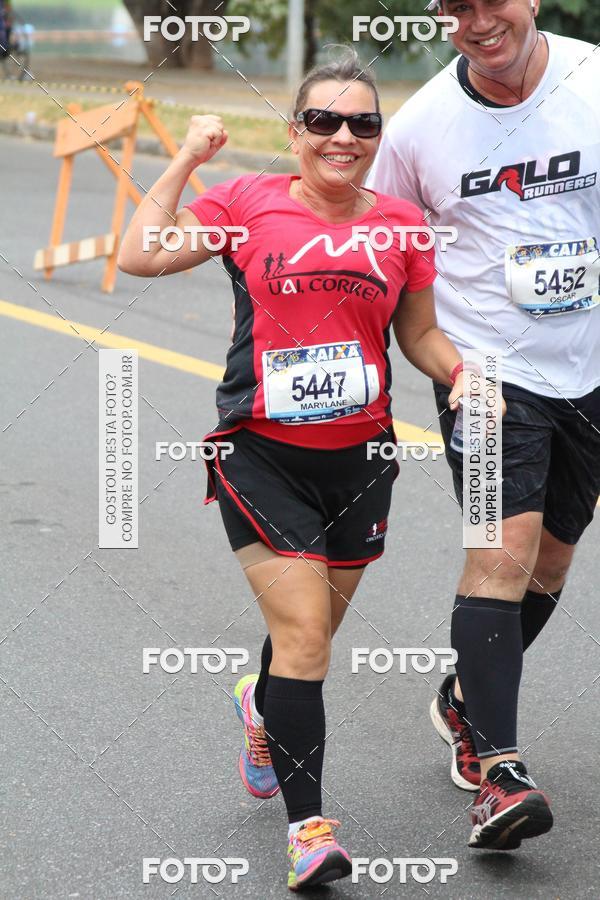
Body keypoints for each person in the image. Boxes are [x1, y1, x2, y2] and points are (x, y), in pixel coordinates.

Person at [118, 48, 466, 889]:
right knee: (306, 637)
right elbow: (142, 254)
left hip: (361, 461)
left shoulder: (402, 226)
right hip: (259, 454)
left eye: (361, 123)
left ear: (377, 136)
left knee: (304, 642)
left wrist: (463, 373)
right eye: (323, 120)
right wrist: (189, 158)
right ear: (295, 131)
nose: (342, 136)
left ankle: (259, 707)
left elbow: (417, 334)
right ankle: (309, 832)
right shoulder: (244, 202)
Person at [368, 0, 600, 851]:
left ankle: (464, 698)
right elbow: (384, 247)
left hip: (589, 364)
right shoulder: (422, 127)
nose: (476, 20)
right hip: (487, 373)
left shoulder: (592, 80)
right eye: (454, 7)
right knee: (503, 551)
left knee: (554, 558)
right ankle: (499, 773)